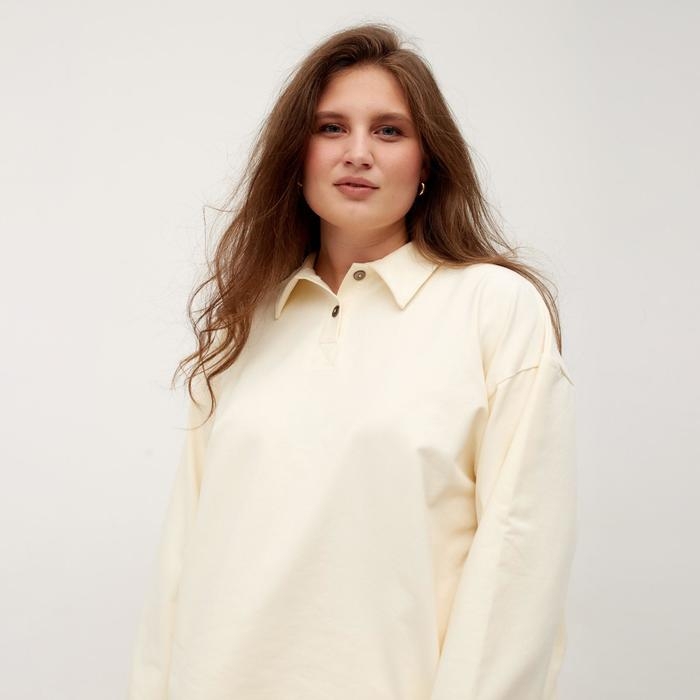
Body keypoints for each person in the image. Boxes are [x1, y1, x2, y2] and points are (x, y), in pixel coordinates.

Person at [127, 22, 577, 700]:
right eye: (331, 128)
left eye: (389, 131)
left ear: (428, 162)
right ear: (297, 154)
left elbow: (520, 560)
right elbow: (180, 562)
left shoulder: (494, 308)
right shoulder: (246, 324)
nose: (358, 153)